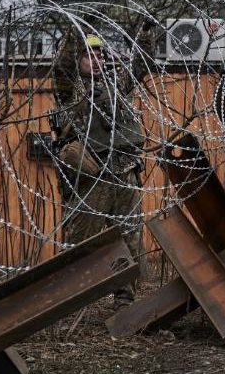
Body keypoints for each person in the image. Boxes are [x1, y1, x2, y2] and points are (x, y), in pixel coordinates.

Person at [52, 28, 154, 308]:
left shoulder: (114, 85)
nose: (95, 59)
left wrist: (146, 31)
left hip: (124, 170)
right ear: (76, 58)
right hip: (93, 174)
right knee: (83, 241)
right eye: (88, 54)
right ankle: (70, 301)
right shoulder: (70, 90)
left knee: (129, 237)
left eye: (99, 53)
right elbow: (62, 67)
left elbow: (140, 64)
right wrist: (76, 28)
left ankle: (125, 300)